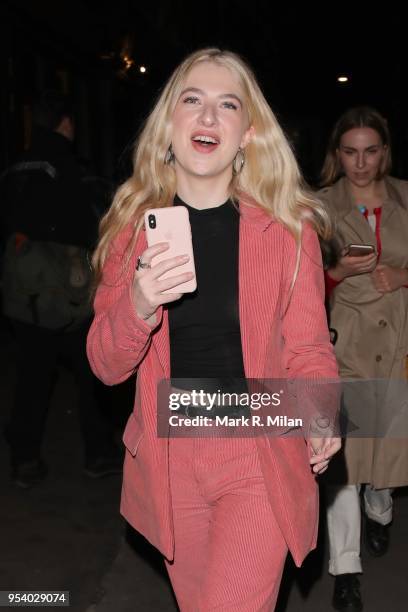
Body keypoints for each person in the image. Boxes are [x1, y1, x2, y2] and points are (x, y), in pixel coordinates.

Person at [87, 48, 340, 611]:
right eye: (192, 100)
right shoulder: (134, 231)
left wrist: (321, 413)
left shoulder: (285, 230)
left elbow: (308, 346)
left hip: (257, 453)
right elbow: (105, 365)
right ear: (169, 125)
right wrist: (139, 304)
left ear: (248, 132)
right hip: (171, 462)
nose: (208, 117)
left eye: (227, 105)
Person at [1, 90, 121, 488]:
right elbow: (86, 224)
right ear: (66, 124)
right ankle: (99, 454)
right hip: (66, 292)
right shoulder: (68, 165)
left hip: (25, 291)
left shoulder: (15, 164)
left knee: (33, 374)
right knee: (91, 372)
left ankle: (24, 458)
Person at [319, 106, 408, 612]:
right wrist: (334, 270)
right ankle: (345, 568)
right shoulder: (317, 205)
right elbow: (296, 279)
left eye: (370, 151)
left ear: (385, 152)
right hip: (341, 345)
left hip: (398, 345)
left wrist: (402, 276)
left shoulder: (406, 198)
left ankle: (382, 504)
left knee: (385, 453)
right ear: (337, 155)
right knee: (344, 461)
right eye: (350, 152)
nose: (361, 162)